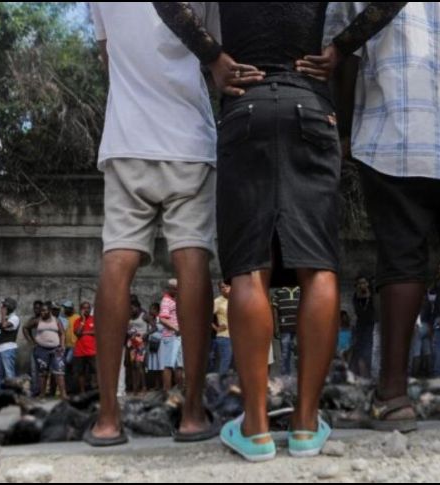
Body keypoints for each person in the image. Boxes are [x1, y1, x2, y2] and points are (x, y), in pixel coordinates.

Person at [155, 1, 405, 460]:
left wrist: (211, 55)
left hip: (244, 106)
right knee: (318, 265)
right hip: (310, 104)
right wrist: (341, 48)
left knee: (249, 267)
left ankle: (255, 427)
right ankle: (307, 424)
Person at [324, 1, 440, 432]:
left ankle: (392, 396)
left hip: (396, 120)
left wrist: (345, 129)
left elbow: (341, 48)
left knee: (401, 255)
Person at [87, 2, 219, 447]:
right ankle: (193, 413)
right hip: (189, 138)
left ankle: (108, 418)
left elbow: (107, 55)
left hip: (126, 136)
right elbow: (214, 50)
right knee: (192, 261)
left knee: (117, 262)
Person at [25, 305, 67, 400]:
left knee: (59, 372)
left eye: (44, 311)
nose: (42, 313)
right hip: (41, 350)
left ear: (49, 311)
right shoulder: (37, 320)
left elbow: (62, 333)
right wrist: (31, 342)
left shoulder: (56, 320)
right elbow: (25, 328)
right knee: (43, 373)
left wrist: (62, 345)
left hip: (56, 349)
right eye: (41, 311)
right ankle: (42, 394)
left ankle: (63, 395)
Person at [159, 280, 184, 392]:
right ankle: (167, 392)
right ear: (170, 288)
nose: (177, 291)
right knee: (168, 365)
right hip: (170, 336)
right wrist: (176, 328)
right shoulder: (166, 301)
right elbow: (162, 318)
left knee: (180, 366)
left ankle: (180, 391)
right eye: (175, 288)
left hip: (178, 336)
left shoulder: (176, 300)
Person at [272, 287, 300, 377]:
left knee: (300, 353)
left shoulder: (301, 290)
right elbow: (274, 310)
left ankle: (301, 377)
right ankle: (285, 378)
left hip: (300, 329)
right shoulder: (279, 291)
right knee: (285, 353)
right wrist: (276, 327)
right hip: (284, 328)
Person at [350, 277, 375, 379]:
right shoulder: (356, 297)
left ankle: (368, 374)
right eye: (360, 283)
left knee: (369, 350)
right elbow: (358, 312)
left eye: (364, 283)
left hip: (371, 326)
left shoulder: (372, 296)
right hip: (360, 326)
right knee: (358, 350)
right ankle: (358, 374)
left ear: (368, 284)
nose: (362, 285)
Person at [0, 298, 20, 393]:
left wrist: (3, 315)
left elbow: (5, 326)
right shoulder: (7, 318)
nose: (2, 308)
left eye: (4, 306)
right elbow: (1, 327)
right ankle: (2, 394)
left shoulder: (15, 318)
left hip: (8, 348)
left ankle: (12, 395)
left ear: (9, 307)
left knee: (9, 373)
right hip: (0, 348)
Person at [73, 302, 97, 394]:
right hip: (80, 351)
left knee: (95, 371)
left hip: (92, 351)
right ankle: (82, 391)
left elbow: (97, 332)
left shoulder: (94, 319)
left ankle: (95, 390)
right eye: (84, 308)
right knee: (81, 373)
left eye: (88, 308)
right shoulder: (77, 321)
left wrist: (85, 333)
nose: (86, 310)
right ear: (81, 310)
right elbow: (78, 333)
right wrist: (83, 321)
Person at [212, 282, 232, 375]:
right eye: (222, 287)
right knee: (225, 362)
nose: (224, 288)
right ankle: (221, 386)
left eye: (226, 286)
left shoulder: (237, 298)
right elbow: (205, 316)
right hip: (224, 337)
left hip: (239, 337)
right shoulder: (217, 301)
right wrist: (216, 328)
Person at [145, 303, 164, 391]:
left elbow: (157, 328)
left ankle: (164, 385)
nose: (150, 311)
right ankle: (157, 385)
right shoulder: (152, 319)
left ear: (156, 310)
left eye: (152, 309)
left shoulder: (160, 318)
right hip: (152, 343)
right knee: (155, 366)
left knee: (161, 365)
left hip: (160, 345)